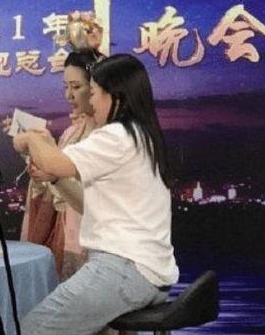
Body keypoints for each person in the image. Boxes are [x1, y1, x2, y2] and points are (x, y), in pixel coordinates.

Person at [13, 54, 179, 335]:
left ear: (115, 96)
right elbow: (85, 202)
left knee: (32, 330)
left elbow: (53, 162)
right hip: (147, 272)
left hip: (123, 268)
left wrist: (30, 138)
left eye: (93, 93)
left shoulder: (117, 135)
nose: (90, 102)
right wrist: (53, 172)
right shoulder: (142, 135)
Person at [20, 49, 99, 280]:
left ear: (96, 87)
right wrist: (41, 175)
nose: (69, 95)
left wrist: (53, 174)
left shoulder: (108, 137)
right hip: (66, 232)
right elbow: (55, 190)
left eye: (76, 87)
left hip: (95, 235)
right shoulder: (69, 134)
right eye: (66, 87)